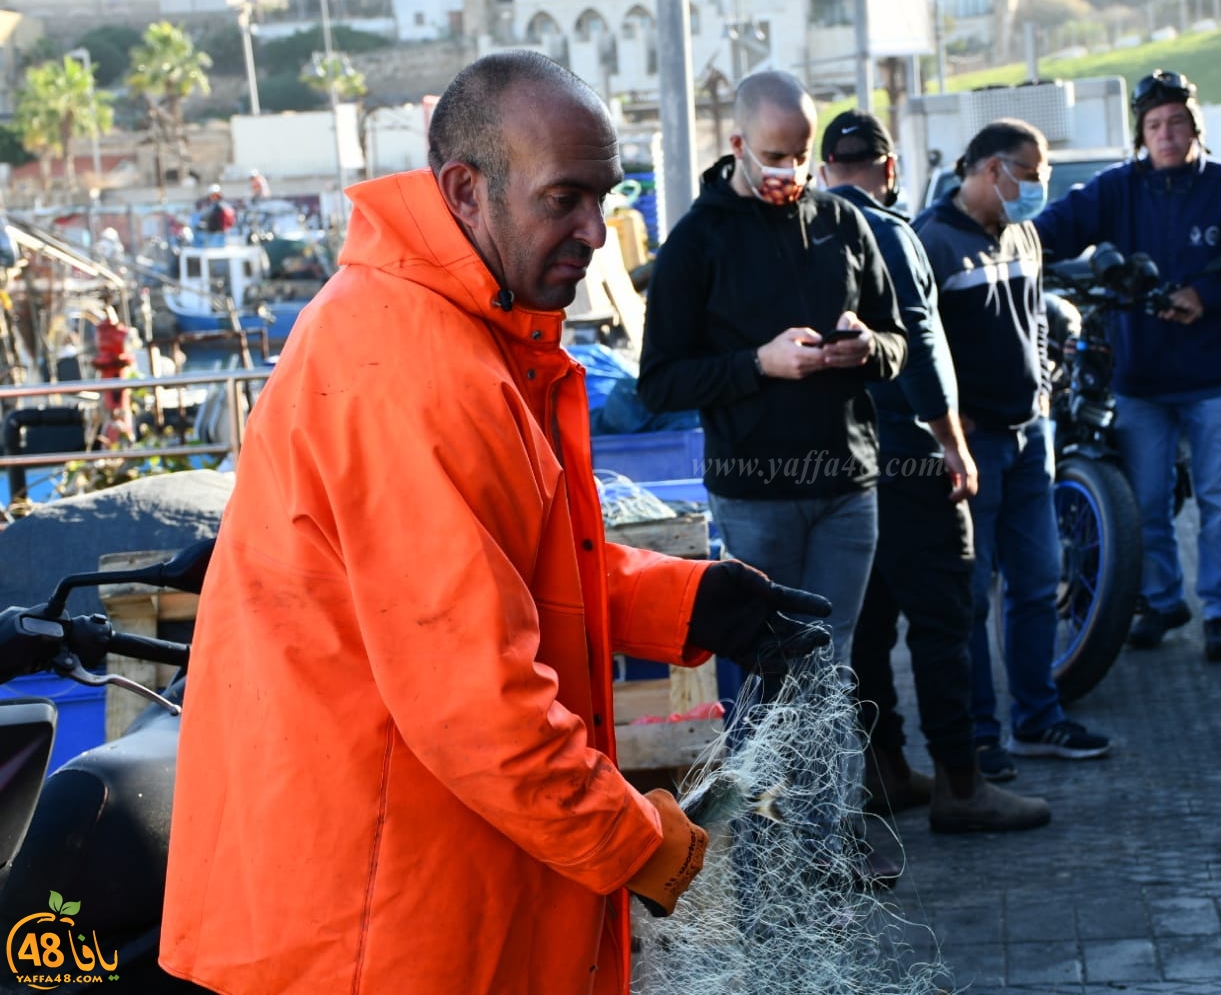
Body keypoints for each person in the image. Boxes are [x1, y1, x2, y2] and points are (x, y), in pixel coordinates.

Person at [161, 50, 832, 995]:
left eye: (607, 195)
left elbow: (500, 567)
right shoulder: (416, 370)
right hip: (378, 920)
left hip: (408, 888)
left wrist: (686, 602)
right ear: (466, 191)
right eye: (564, 199)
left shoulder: (444, 329)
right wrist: (647, 847)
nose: (597, 232)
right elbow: (478, 707)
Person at [637, 70, 907, 881]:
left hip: (846, 484)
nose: (788, 171)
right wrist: (758, 363)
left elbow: (898, 345)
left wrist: (866, 348)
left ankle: (829, 849)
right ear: (736, 148)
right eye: (772, 156)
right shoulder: (698, 240)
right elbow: (660, 382)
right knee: (770, 674)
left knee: (835, 667)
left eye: (800, 156)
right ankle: (756, 860)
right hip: (754, 494)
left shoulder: (844, 223)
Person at [819, 109, 1050, 834]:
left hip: (838, 468)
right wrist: (952, 442)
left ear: (825, 170)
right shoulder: (894, 232)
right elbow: (922, 346)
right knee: (944, 625)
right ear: (889, 170)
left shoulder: (799, 234)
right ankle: (960, 782)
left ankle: (885, 769)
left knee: (866, 631)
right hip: (911, 459)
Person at [1032, 70, 1221, 662]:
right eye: (1154, 125)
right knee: (1146, 505)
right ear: (1140, 134)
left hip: (1216, 379)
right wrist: (1000, 242)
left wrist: (1205, 295)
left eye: (1176, 122)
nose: (1166, 134)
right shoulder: (1115, 189)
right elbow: (1055, 229)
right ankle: (1162, 600)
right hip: (1140, 380)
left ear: (1195, 126)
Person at [913, 118, 1113, 784]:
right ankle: (976, 736)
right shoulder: (932, 242)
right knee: (970, 595)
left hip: (1032, 438)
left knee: (1035, 583)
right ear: (990, 170)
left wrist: (1045, 395)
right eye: (1029, 174)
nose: (1038, 187)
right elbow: (918, 344)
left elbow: (1033, 314)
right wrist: (949, 426)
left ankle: (1036, 716)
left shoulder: (1022, 232)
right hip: (973, 449)